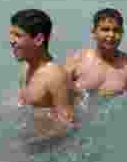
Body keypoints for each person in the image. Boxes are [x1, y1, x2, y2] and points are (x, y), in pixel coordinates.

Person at [8, 9, 77, 138]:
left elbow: (68, 126)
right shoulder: (26, 69)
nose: (11, 40)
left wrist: (35, 142)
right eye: (11, 35)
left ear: (39, 39)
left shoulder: (55, 77)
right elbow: (23, 108)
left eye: (18, 35)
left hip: (47, 146)